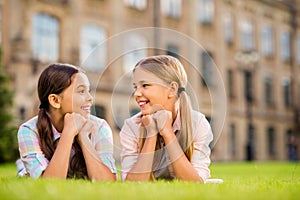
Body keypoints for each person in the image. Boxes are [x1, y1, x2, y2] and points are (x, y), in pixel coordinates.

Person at [120, 55, 213, 183]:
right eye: (135, 87)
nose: (136, 94)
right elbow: (132, 184)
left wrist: (168, 132)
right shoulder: (132, 126)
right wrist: (151, 133)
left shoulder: (198, 124)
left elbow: (194, 182)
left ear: (172, 89)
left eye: (145, 85)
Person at [16, 63, 117, 181]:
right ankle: (22, 167)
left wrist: (84, 137)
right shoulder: (29, 130)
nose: (90, 98)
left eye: (88, 90)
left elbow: (107, 182)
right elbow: (50, 182)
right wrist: (68, 132)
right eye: (81, 91)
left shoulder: (99, 127)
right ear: (55, 100)